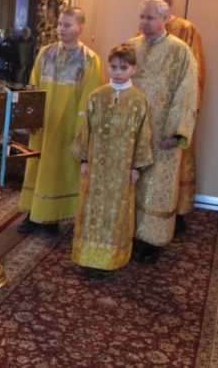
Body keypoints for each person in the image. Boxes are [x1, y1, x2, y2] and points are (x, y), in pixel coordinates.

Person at [18, 7, 105, 234]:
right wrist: (30, 116)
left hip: (68, 125)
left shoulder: (90, 60)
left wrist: (81, 131)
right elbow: (34, 86)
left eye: (67, 25)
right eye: (59, 24)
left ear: (80, 27)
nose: (61, 29)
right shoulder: (45, 53)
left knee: (58, 170)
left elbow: (90, 98)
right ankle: (32, 213)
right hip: (43, 124)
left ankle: (52, 217)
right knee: (36, 166)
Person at [72, 44, 153, 276]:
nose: (117, 72)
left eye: (123, 68)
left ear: (133, 69)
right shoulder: (97, 96)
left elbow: (144, 135)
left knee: (115, 213)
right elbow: (86, 129)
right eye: (113, 67)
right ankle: (87, 257)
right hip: (96, 166)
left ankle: (110, 260)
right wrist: (84, 159)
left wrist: (136, 167)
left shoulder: (139, 100)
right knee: (92, 209)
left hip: (122, 169)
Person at [128, 0, 198, 263]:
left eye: (150, 18)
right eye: (141, 17)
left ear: (165, 19)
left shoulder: (180, 51)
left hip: (162, 133)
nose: (144, 22)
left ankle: (152, 241)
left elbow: (187, 93)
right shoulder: (131, 46)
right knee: (132, 181)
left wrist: (177, 132)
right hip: (133, 129)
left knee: (156, 185)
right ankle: (128, 233)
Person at [145, 0, 205, 232]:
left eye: (156, 3)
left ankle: (173, 215)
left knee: (171, 164)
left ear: (168, 5)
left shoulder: (186, 30)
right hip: (146, 114)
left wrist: (184, 119)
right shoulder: (141, 35)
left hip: (172, 111)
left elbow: (193, 75)